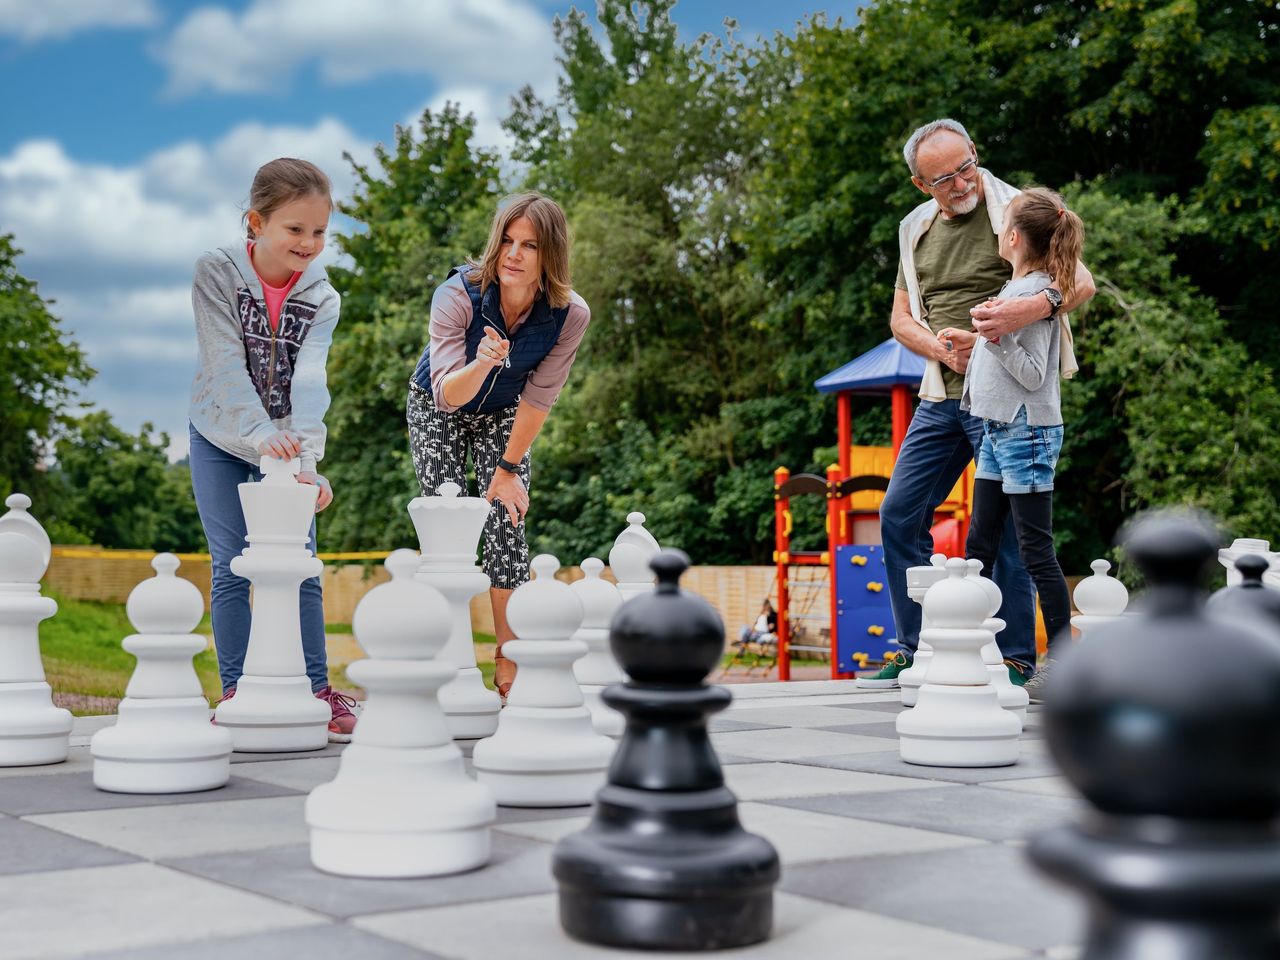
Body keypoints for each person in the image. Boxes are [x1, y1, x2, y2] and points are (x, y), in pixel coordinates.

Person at [858, 119, 1095, 689]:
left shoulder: (1016, 208)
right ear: (921, 186)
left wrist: (1025, 312)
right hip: (944, 395)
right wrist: (944, 347)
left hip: (1009, 405)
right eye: (945, 177)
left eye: (966, 166)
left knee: (1012, 533)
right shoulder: (913, 228)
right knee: (898, 513)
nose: (963, 181)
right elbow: (899, 321)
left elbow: (1079, 283)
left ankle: (1016, 659)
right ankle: (915, 649)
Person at [187, 157, 356, 741]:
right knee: (232, 565)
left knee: (301, 566)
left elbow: (311, 381)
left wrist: (307, 464)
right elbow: (225, 362)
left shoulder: (323, 297)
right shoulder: (216, 271)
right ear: (255, 223)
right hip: (219, 433)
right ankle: (235, 689)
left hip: (284, 448)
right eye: (295, 229)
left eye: (318, 231)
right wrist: (258, 435)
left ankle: (316, 689)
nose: (308, 243)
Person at [406, 192, 591, 702]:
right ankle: (444, 655)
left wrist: (508, 468)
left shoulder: (569, 314)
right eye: (507, 240)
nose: (513, 253)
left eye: (529, 245)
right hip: (438, 403)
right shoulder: (457, 296)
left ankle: (508, 657)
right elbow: (446, 393)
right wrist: (484, 362)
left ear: (549, 254)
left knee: (505, 522)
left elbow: (540, 396)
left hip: (506, 413)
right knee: (448, 525)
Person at [942, 188, 1084, 703]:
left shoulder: (1038, 294)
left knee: (1035, 550)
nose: (999, 228)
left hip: (1027, 429)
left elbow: (1031, 375)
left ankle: (1063, 664)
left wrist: (997, 339)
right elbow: (1001, 355)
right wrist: (975, 339)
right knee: (979, 544)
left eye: (1003, 222)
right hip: (998, 428)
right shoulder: (1018, 285)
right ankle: (968, 647)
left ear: (1015, 236)